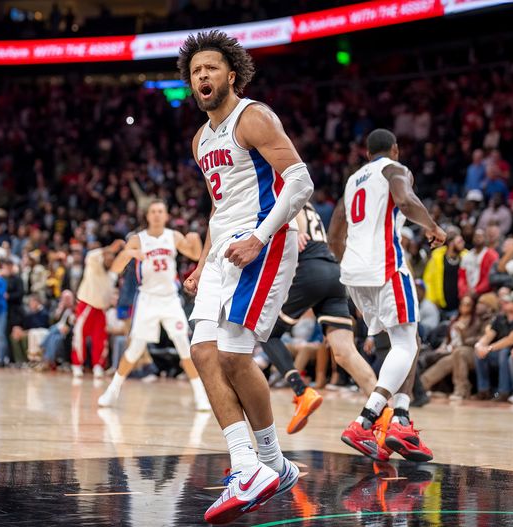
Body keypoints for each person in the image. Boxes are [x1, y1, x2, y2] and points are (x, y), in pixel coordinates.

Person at [178, 31, 313, 524]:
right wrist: (203, 259)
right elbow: (218, 206)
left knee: (234, 356)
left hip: (264, 241)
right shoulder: (200, 139)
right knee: (202, 352)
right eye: (196, 71)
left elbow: (300, 180)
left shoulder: (253, 116)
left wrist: (259, 235)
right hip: (223, 250)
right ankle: (259, 465)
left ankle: (262, 467)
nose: (203, 77)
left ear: (231, 74)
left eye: (211, 68)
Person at [337, 128, 446, 464]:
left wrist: (345, 272)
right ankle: (366, 421)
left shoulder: (353, 180)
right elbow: (405, 200)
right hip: (384, 266)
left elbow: (334, 234)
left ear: (366, 152)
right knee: (407, 344)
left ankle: (400, 421)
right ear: (394, 150)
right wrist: (432, 226)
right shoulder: (394, 169)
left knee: (399, 341)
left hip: (353, 273)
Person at [260, 201, 378, 434]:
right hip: (334, 272)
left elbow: (294, 208)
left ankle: (302, 392)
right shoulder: (307, 200)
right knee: (345, 352)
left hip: (311, 271)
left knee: (267, 334)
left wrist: (298, 231)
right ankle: (385, 414)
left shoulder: (281, 190)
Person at [98, 201, 210, 410]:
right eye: (153, 212)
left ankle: (200, 395)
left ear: (166, 215)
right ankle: (112, 391)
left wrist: (195, 240)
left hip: (170, 299)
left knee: (183, 345)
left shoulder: (173, 236)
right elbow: (115, 268)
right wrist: (128, 254)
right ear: (147, 216)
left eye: (161, 211)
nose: (157, 215)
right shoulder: (137, 239)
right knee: (135, 349)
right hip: (147, 299)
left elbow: (195, 255)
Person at [73, 239, 124, 377]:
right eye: (108, 256)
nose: (110, 259)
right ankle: (77, 365)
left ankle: (98, 366)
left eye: (112, 258)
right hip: (86, 305)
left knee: (100, 339)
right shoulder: (94, 265)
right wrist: (110, 248)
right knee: (80, 336)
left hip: (101, 309)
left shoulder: (113, 274)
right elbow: (91, 254)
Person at [473, 293, 513, 401]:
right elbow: (489, 335)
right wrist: (480, 345)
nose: (504, 303)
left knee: (504, 352)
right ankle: (483, 390)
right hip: (497, 351)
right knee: (479, 354)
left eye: (508, 302)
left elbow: (510, 340)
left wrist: (488, 348)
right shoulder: (500, 318)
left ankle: (504, 392)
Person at [460, 228, 499, 296]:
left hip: (485, 292)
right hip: (468, 291)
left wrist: (477, 290)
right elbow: (462, 276)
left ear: (485, 238)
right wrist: (464, 290)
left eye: (480, 236)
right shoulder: (466, 256)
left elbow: (490, 277)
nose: (478, 238)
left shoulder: (492, 255)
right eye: (476, 236)